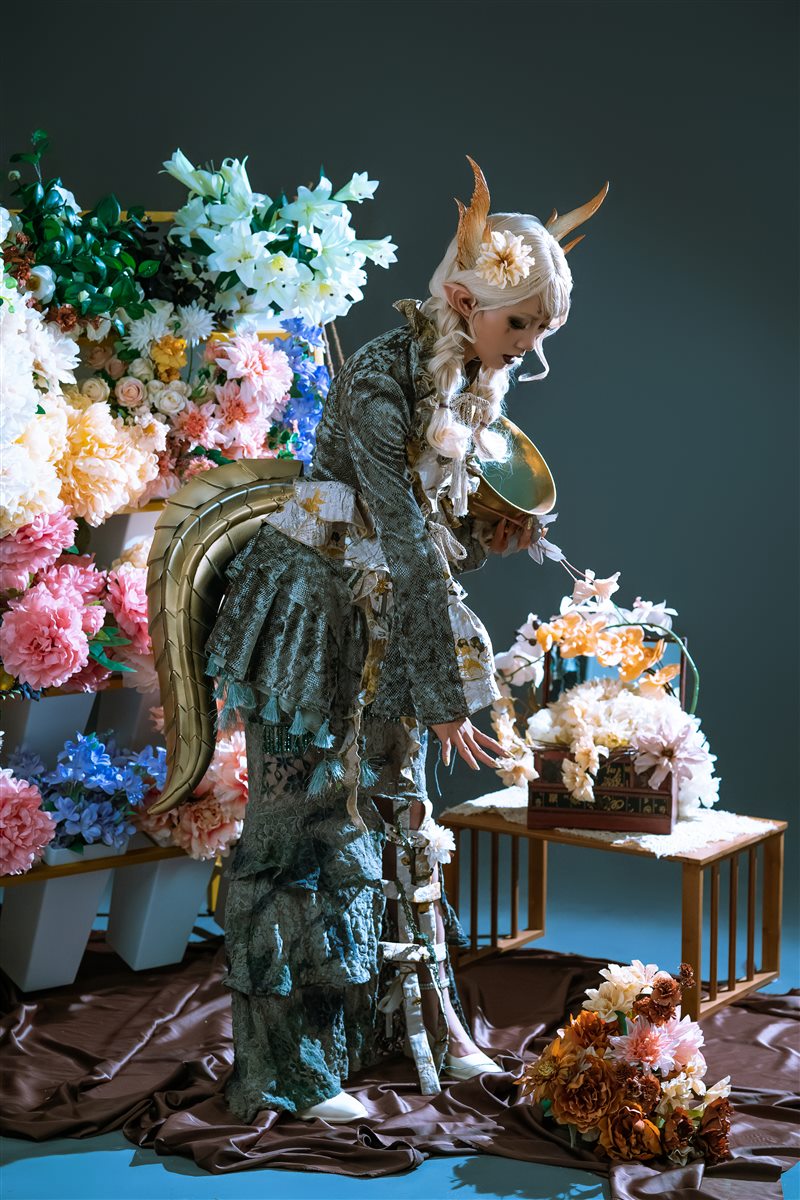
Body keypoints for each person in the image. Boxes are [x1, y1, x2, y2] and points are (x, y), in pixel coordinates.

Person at [204, 157, 607, 1124]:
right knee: (303, 827)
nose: (529, 350)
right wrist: (453, 687)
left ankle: (413, 1024)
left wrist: (491, 527)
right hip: (313, 611)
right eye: (521, 326)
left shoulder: (472, 375)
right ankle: (290, 1067)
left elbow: (435, 527)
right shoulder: (383, 378)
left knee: (398, 812)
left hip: (386, 607)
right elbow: (405, 537)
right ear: (466, 299)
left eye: (542, 333)